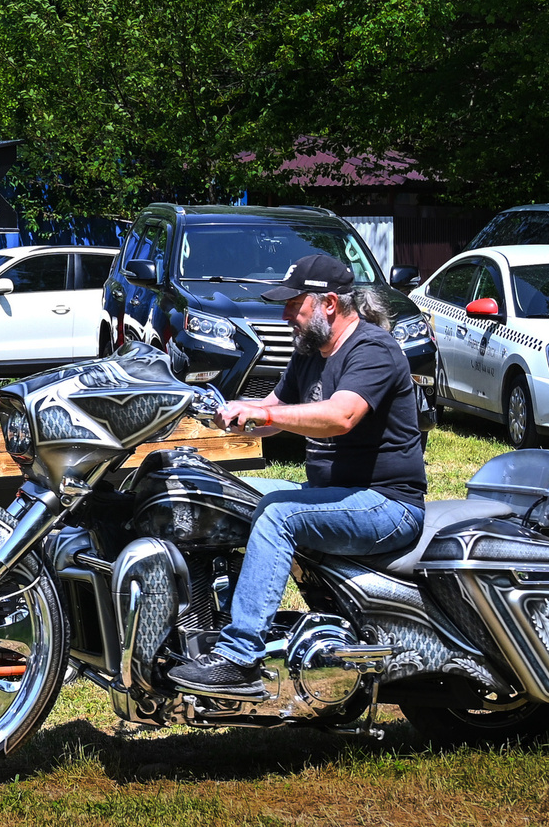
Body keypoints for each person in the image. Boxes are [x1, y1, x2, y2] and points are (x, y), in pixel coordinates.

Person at [165, 254, 429, 696]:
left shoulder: (373, 349)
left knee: (278, 515)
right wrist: (223, 413)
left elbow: (341, 416)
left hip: (388, 505)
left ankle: (239, 657)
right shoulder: (309, 354)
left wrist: (266, 414)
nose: (285, 314)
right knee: (213, 494)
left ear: (329, 303)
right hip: (333, 494)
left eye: (294, 304)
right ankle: (203, 626)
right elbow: (272, 413)